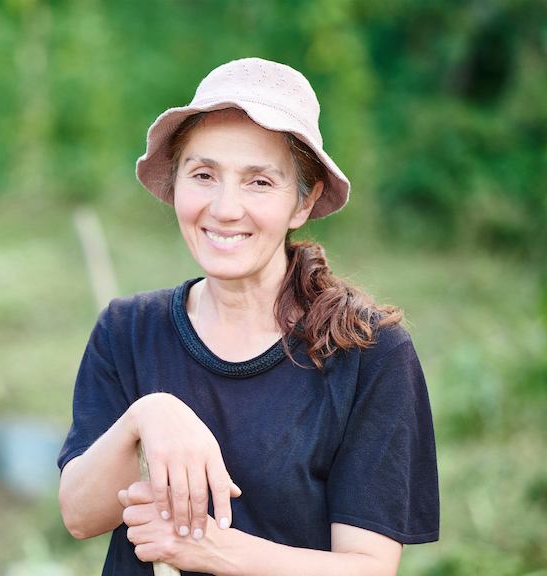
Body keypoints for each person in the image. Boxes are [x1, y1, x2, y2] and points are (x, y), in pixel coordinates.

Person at [57, 58, 439, 575]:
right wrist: (146, 415)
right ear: (176, 184)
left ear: (303, 203)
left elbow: (368, 568)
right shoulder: (128, 330)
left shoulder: (369, 352)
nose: (225, 208)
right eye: (203, 175)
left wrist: (210, 549)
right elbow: (80, 517)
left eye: (259, 182)